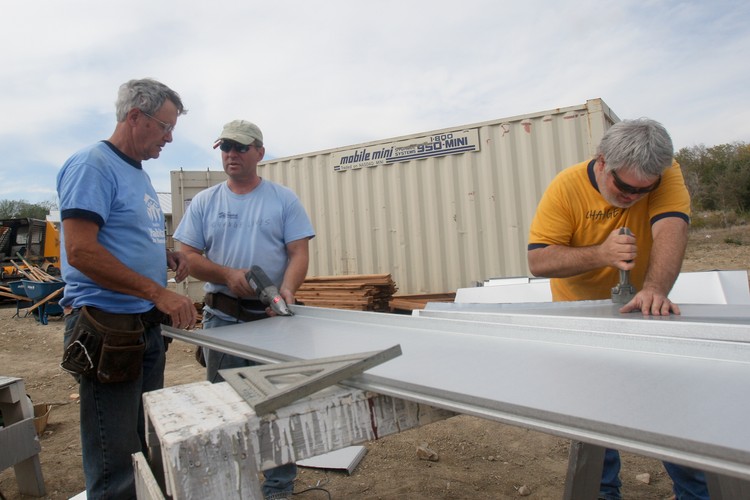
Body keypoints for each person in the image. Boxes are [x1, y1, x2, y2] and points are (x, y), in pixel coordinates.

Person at [527, 118, 709, 500]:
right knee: (597, 422)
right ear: (602, 162)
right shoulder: (567, 186)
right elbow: (539, 261)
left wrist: (655, 289)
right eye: (624, 186)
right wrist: (601, 254)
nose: (633, 197)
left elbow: (672, 227)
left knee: (673, 413)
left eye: (645, 190)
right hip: (580, 314)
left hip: (643, 307)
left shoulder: (663, 171)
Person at [56, 78, 198, 499]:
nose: (170, 138)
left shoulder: (136, 173)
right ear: (135, 116)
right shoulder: (92, 165)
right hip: (108, 328)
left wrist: (164, 257)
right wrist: (159, 292)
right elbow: (81, 251)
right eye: (164, 127)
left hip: (141, 328)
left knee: (142, 442)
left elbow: (122, 238)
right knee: (115, 455)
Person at [173, 119, 315, 499]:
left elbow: (298, 252)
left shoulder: (283, 199)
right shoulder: (205, 202)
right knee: (225, 408)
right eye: (226, 148)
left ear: (260, 153)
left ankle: (278, 489)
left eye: (240, 148)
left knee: (276, 406)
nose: (231, 155)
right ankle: (233, 488)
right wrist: (225, 273)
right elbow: (186, 255)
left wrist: (286, 290)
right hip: (223, 320)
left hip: (273, 320)